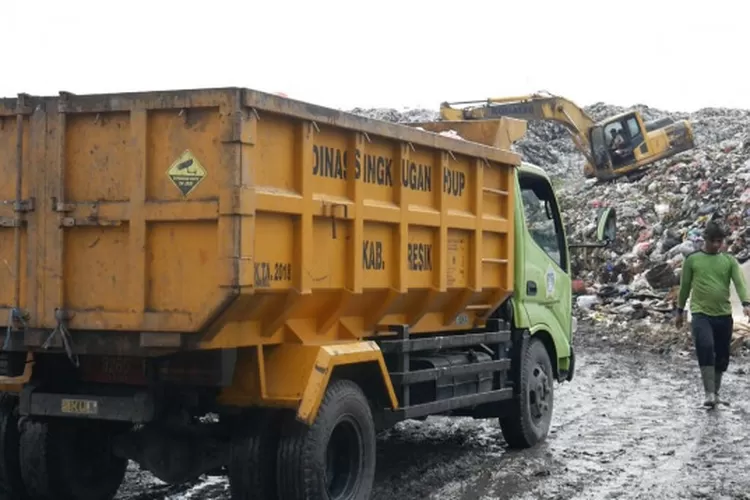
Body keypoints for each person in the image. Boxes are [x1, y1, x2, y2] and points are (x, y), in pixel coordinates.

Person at [676, 221, 750, 408]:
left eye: (720, 241)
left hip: (723, 314)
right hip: (701, 313)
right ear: (705, 240)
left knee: (722, 354)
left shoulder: (729, 260)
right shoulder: (693, 260)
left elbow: (740, 283)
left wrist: (746, 303)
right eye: (713, 241)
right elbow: (684, 287)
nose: (717, 245)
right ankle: (709, 393)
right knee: (706, 346)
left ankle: (715, 392)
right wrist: (679, 311)